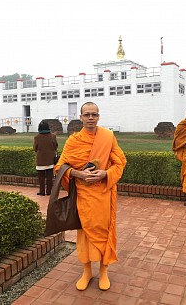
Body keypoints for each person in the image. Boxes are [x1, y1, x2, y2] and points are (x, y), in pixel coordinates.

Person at [54, 102, 126, 291]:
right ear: (81, 117)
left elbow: (120, 162)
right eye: (87, 115)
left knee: (104, 231)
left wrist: (105, 174)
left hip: (103, 192)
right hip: (83, 194)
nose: (91, 118)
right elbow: (59, 167)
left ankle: (104, 271)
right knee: (85, 232)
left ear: (99, 116)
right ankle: (86, 271)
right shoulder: (73, 141)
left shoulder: (108, 137)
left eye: (94, 114)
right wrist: (79, 174)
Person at [33, 120, 58, 196]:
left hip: (41, 160)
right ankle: (49, 191)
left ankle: (42, 191)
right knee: (49, 177)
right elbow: (56, 146)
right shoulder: (53, 136)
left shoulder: (37, 137)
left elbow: (35, 148)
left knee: (41, 177)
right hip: (50, 159)